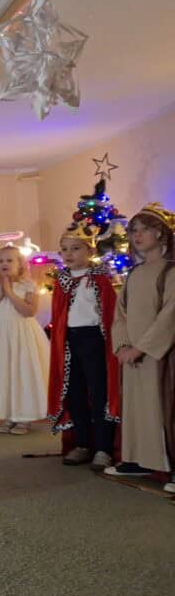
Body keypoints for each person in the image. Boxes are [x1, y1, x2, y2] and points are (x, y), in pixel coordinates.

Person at [106, 203, 175, 491]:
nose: (137, 235)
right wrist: (123, 346)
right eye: (133, 230)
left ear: (160, 233)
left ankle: (171, 465)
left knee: (163, 408)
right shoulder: (134, 274)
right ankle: (138, 459)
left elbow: (169, 315)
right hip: (132, 354)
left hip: (160, 355)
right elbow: (120, 314)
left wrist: (141, 348)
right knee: (138, 409)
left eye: (144, 229)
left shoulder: (170, 271)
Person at [47, 224, 121, 470]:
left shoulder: (101, 279)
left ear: (90, 251)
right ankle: (82, 443)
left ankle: (103, 448)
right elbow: (59, 315)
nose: (69, 254)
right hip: (69, 341)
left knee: (99, 393)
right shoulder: (62, 280)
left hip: (95, 340)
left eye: (76, 248)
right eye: (65, 249)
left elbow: (110, 313)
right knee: (74, 392)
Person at [0, 244, 50, 434]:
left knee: (21, 372)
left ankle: (23, 417)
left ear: (20, 264)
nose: (4, 264)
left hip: (21, 333)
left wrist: (11, 293)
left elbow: (29, 311)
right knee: (3, 372)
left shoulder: (28, 285)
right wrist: (1, 292)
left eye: (9, 260)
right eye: (1, 261)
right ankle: (7, 413)